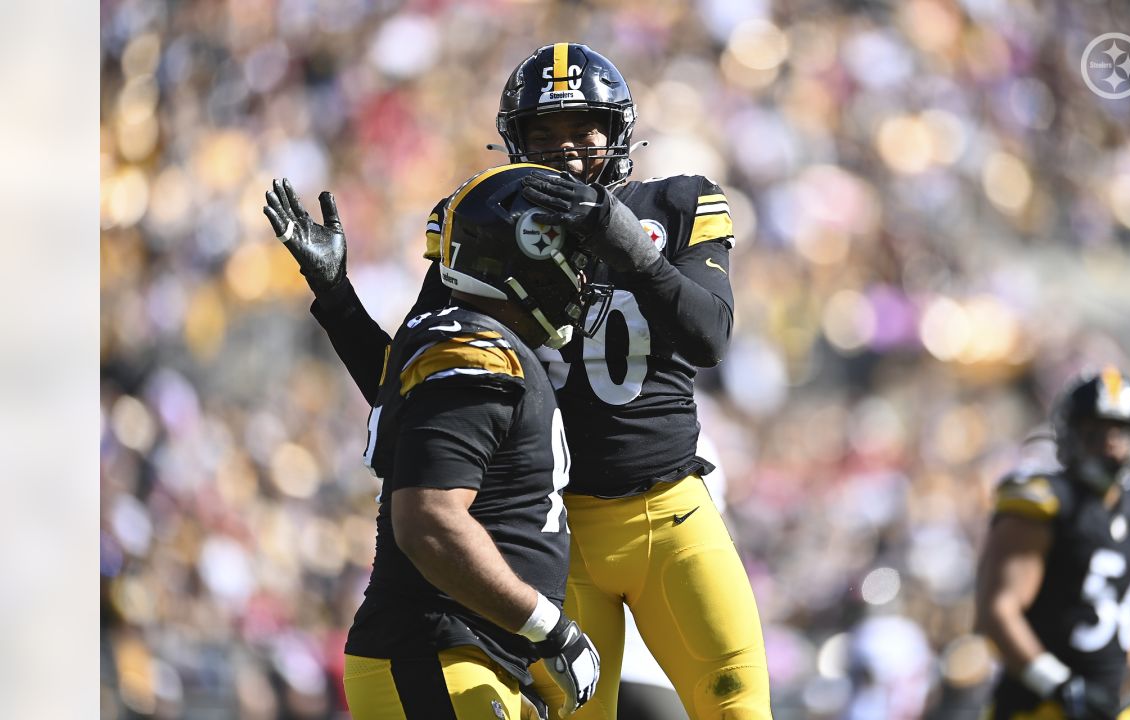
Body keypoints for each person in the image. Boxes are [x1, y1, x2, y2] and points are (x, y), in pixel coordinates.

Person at [269, 42, 771, 720]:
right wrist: (338, 302)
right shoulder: (486, 225)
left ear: (617, 131)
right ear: (515, 142)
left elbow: (709, 336)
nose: (565, 150)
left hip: (670, 512)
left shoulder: (673, 204)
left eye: (581, 130)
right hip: (564, 535)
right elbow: (420, 385)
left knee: (739, 707)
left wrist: (622, 239)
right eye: (544, 134)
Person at [263, 165, 604, 719]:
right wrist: (549, 629)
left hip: (467, 654)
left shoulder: (473, 343)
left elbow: (396, 391)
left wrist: (339, 300)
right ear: (521, 259)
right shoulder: (475, 350)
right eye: (567, 255)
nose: (580, 275)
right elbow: (429, 521)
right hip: (439, 649)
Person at [974, 367, 1130, 720]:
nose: (1109, 443)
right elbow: (997, 612)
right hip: (1040, 707)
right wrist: (1059, 685)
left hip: (1112, 705)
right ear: (1070, 433)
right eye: (1095, 431)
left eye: (1120, 432)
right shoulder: (1043, 501)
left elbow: (1129, 612)